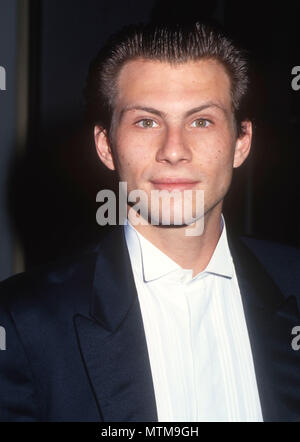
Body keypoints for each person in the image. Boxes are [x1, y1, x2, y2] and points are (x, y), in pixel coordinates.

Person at [1, 21, 300, 422]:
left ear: (241, 142)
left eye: (201, 121)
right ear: (106, 146)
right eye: (146, 121)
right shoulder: (22, 325)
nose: (174, 150)